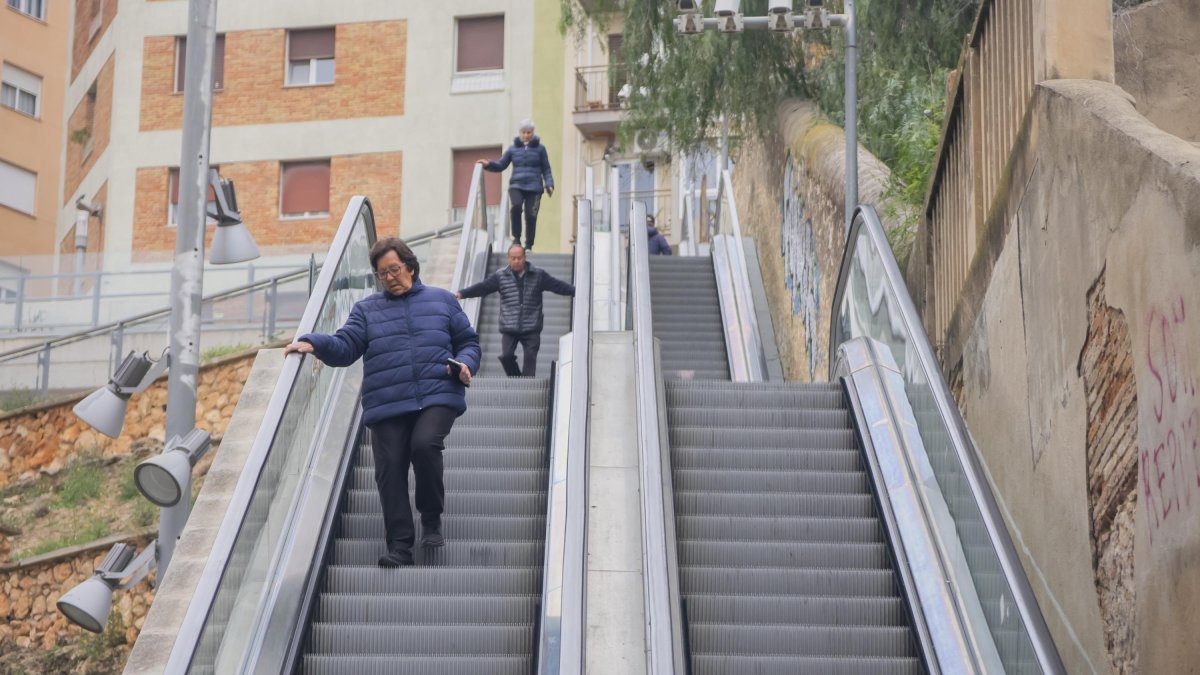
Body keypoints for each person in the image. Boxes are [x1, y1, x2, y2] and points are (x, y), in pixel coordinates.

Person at [283, 237, 480, 568]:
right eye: (382, 273)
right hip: (387, 402)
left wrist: (465, 365)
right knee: (390, 469)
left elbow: (468, 341)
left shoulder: (443, 301)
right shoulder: (367, 310)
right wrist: (312, 342)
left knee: (424, 445)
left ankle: (430, 518)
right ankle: (400, 546)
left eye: (395, 269)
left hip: (437, 393)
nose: (390, 277)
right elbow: (346, 347)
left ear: (411, 267)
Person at [455, 244, 574, 377]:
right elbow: (483, 287)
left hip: (532, 326)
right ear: (508, 258)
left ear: (525, 257)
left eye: (519, 258)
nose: (516, 261)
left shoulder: (538, 275)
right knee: (507, 356)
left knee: (530, 358)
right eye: (513, 258)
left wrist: (576, 291)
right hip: (509, 327)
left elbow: (557, 286)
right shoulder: (500, 276)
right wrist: (462, 293)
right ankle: (517, 379)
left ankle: (528, 386)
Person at [478, 119, 554, 251]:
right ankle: (517, 238)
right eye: (524, 132)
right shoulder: (512, 149)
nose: (526, 135)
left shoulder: (541, 149)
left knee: (531, 214)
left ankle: (529, 244)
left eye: (529, 132)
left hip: (535, 187)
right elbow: (501, 164)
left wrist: (549, 184)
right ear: (520, 133)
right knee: (516, 208)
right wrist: (488, 164)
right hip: (517, 185)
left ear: (533, 133)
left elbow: (546, 169)